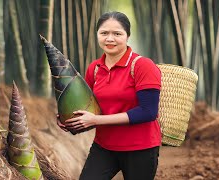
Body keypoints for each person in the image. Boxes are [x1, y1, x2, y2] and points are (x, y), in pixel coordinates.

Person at [57, 11, 162, 180]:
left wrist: (95, 120)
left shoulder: (143, 66)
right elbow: (93, 109)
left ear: (127, 36)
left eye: (117, 34)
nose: (110, 39)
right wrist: (71, 119)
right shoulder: (95, 68)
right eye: (104, 33)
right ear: (97, 35)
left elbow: (148, 112)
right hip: (104, 146)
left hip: (140, 148)